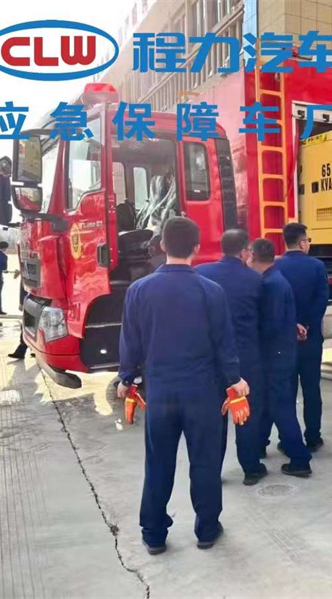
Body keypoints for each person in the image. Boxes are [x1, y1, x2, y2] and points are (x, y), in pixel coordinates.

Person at [118, 217, 249, 555]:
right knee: (205, 462)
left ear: (162, 245)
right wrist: (234, 380)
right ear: (196, 248)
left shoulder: (139, 290)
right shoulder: (211, 291)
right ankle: (207, 529)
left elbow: (130, 341)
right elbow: (224, 344)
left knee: (158, 463)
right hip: (203, 393)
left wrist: (127, 377)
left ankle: (153, 534)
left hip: (160, 393)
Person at [197, 229, 268, 486]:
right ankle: (251, 468)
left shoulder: (201, 274)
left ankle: (212, 471)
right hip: (245, 357)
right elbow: (263, 319)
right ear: (244, 252)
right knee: (246, 413)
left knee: (213, 417)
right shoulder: (255, 279)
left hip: (210, 358)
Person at [249, 238, 313, 478]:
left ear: (254, 256)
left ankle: (299, 458)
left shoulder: (270, 284)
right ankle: (258, 445)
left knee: (281, 407)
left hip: (275, 355)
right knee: (269, 404)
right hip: (281, 352)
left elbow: (271, 324)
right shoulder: (274, 279)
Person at [274, 223, 329, 451]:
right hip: (311, 339)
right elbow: (321, 300)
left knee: (286, 392)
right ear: (302, 242)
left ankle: (289, 439)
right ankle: (313, 437)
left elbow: (273, 303)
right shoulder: (316, 266)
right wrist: (306, 326)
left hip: (283, 341)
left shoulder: (275, 266)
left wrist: (290, 326)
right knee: (311, 389)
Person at [8, 277, 28, 360]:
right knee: (27, 326)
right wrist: (21, 302)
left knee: (28, 326)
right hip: (30, 301)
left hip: (34, 301)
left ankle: (21, 351)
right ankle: (21, 350)